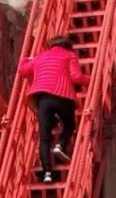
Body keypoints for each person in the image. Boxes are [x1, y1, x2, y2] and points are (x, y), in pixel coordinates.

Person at [18, 35, 84, 183]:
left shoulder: (40, 57)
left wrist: (25, 59)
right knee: (70, 124)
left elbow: (23, 71)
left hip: (42, 98)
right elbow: (76, 77)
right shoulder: (69, 55)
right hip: (63, 95)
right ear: (67, 46)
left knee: (44, 137)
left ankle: (47, 173)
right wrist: (90, 79)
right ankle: (61, 144)